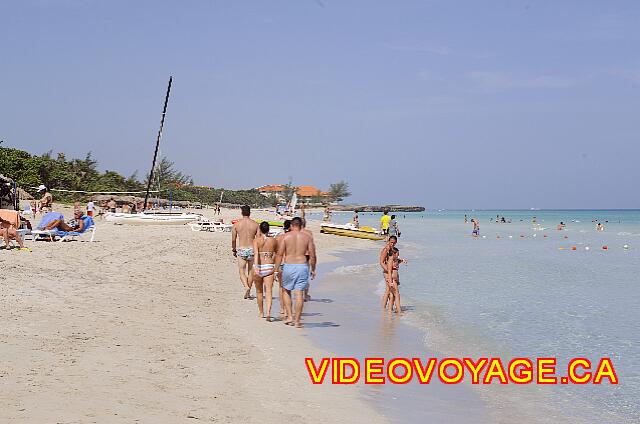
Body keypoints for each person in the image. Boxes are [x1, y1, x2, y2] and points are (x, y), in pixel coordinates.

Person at [274, 217, 316, 328]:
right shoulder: (307, 237)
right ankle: (297, 321)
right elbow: (312, 255)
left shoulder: (286, 237)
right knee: (299, 294)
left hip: (289, 265)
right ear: (301, 226)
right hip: (302, 266)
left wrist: (276, 269)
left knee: (286, 291)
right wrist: (313, 269)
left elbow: (279, 254)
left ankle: (289, 316)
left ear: (291, 226)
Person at [231, 205, 260, 299]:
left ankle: (246, 287)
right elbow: (259, 239)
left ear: (242, 213)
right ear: (250, 213)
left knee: (241, 271)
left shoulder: (237, 224)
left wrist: (234, 249)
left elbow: (233, 239)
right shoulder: (255, 224)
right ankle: (249, 290)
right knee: (251, 272)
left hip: (242, 249)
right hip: (252, 249)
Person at [253, 221, 277, 321]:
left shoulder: (256, 240)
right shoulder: (274, 240)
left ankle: (261, 312)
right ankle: (268, 313)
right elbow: (276, 254)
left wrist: (256, 267)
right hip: (269, 266)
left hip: (260, 265)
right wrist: (275, 269)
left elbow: (256, 254)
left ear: (260, 229)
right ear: (268, 229)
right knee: (269, 291)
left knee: (259, 292)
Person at [275, 220, 291, 317]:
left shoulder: (278, 238)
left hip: (280, 264)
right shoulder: (294, 239)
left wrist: (275, 268)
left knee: (281, 288)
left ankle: (282, 309)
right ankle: (288, 310)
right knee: (288, 289)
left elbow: (275, 253)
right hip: (290, 264)